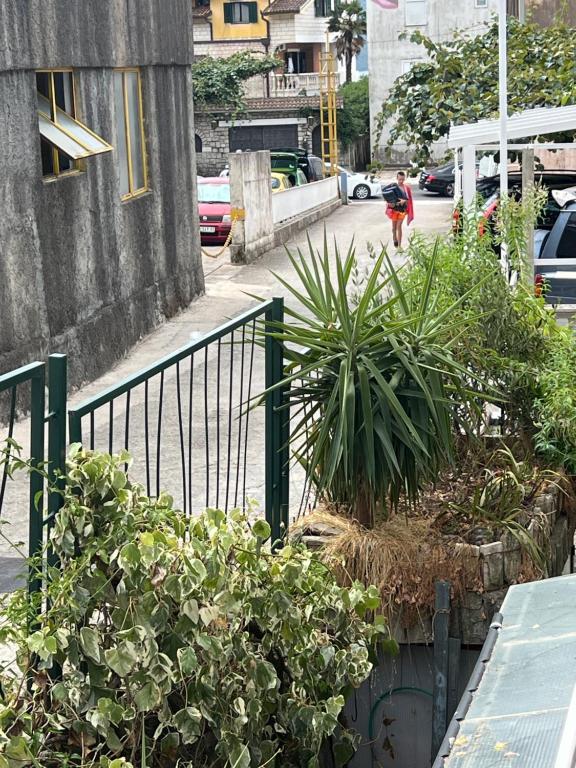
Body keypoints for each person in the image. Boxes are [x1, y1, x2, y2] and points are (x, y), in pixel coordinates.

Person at [385, 171, 414, 249]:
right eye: (400, 179)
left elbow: (409, 200)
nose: (401, 181)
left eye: (403, 179)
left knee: (399, 226)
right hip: (394, 210)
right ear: (397, 178)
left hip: (402, 211)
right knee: (393, 228)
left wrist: (404, 201)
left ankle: (399, 246)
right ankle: (395, 238)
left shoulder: (406, 188)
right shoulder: (392, 187)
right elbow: (387, 198)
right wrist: (389, 203)